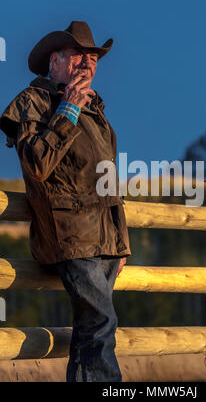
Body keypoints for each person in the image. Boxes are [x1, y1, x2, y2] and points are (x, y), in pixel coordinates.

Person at [0, 21, 131, 382]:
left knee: (92, 332)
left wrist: (122, 242)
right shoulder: (34, 102)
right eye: (77, 56)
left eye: (92, 57)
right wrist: (68, 110)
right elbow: (37, 164)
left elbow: (109, 182)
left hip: (104, 239)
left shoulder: (96, 111)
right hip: (71, 234)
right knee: (101, 323)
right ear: (54, 61)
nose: (86, 64)